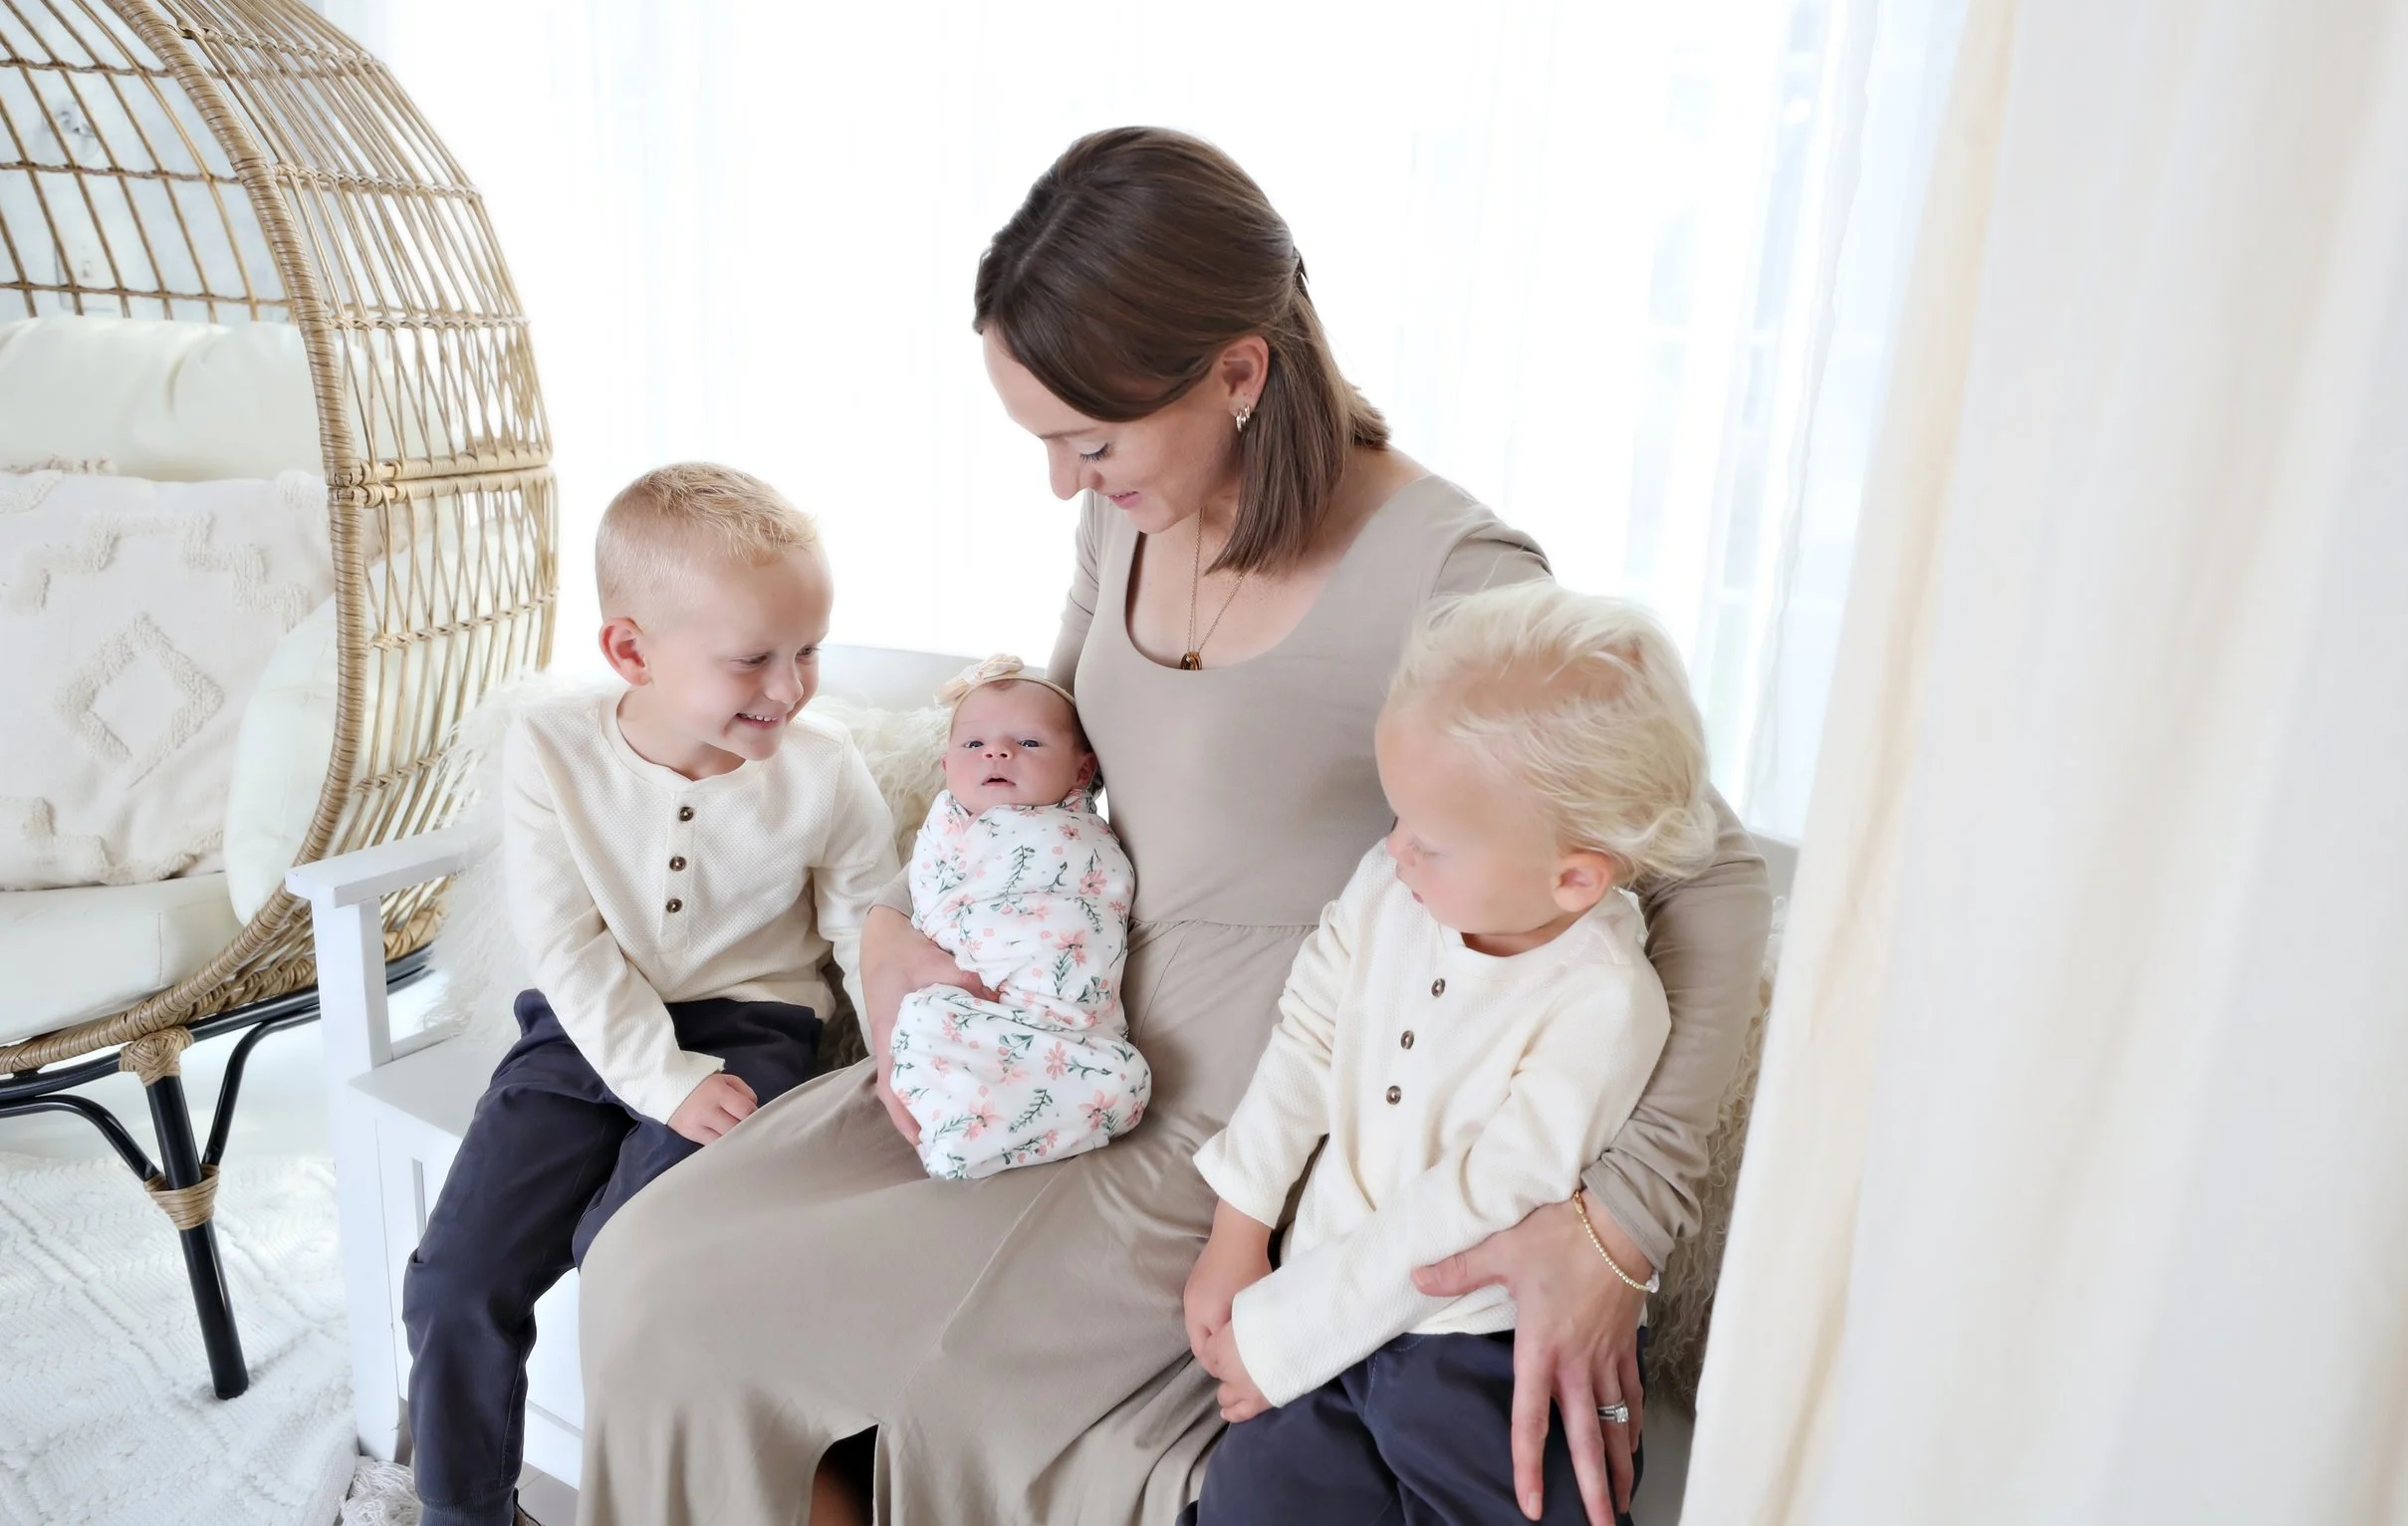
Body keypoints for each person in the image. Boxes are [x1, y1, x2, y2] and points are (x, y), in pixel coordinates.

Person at [576, 128, 1774, 1526]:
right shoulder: (1126, 523)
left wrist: (1618, 1225)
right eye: (1045, 441)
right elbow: (1027, 771)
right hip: (1045, 1039)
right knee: (655, 1270)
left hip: (1228, 1128)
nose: (1064, 481)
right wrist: (891, 937)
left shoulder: (1454, 574)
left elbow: (1712, 876)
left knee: (938, 1409)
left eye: (1089, 440)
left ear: (1239, 373)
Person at [399, 463, 896, 1526]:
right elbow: (565, 944)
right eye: (753, 658)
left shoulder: (823, 767)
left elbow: (868, 926)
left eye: (809, 649)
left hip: (752, 1035)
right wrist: (659, 1080)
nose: (790, 686)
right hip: (578, 1030)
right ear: (632, 652)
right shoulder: (550, 750)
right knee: (454, 1280)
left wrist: (905, 1056)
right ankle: (463, 1508)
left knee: (631, 1257)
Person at [1185, 583, 1717, 1524]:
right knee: (1247, 1496)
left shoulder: (1602, 1001)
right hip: (1325, 1278)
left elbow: (1477, 1197)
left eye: (1428, 841)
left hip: (1485, 1335)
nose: (1393, 851)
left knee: (1539, 1499)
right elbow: (1309, 1031)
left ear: (1574, 877)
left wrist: (1287, 1337)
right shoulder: (1392, 889)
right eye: (1396, 819)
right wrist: (1242, 1223)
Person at [884, 653, 1148, 1179]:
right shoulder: (947, 826)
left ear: (1082, 770)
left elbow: (1103, 900)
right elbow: (932, 906)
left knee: (1129, 1081)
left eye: (1028, 742)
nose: (997, 752)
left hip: (1071, 1023)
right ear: (946, 767)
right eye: (974, 745)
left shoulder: (1086, 831)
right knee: (921, 1021)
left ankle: (1007, 1125)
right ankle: (966, 1134)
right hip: (981, 1001)